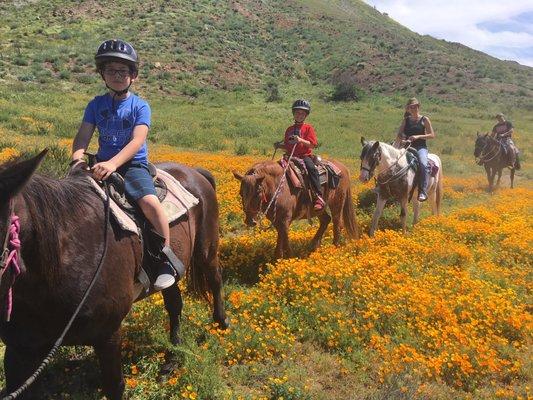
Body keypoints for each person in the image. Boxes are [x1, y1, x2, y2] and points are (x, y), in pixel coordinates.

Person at [71, 39, 176, 291]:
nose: (117, 76)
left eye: (123, 71)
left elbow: (137, 140)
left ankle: (165, 258)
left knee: (149, 203)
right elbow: (83, 136)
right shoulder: (95, 105)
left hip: (132, 166)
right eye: (111, 70)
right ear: (102, 74)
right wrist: (77, 159)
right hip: (101, 165)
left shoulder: (140, 106)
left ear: (133, 76)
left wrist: (113, 163)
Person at [274, 99, 325, 211]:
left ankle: (318, 196)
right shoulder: (289, 129)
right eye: (297, 113)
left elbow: (312, 145)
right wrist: (279, 146)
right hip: (290, 157)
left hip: (304, 156)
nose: (300, 115)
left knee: (312, 169)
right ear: (294, 113)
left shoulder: (308, 128)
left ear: (306, 115)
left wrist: (300, 140)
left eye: (302, 113)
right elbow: (288, 147)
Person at [394, 97, 436, 202]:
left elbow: (432, 135)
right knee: (392, 161)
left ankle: (422, 191)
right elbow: (399, 133)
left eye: (415, 107)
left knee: (422, 163)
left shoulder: (424, 119)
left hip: (420, 147)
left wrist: (418, 136)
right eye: (411, 107)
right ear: (408, 109)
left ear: (418, 107)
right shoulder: (406, 120)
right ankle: (386, 187)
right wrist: (403, 138)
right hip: (406, 146)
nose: (413, 109)